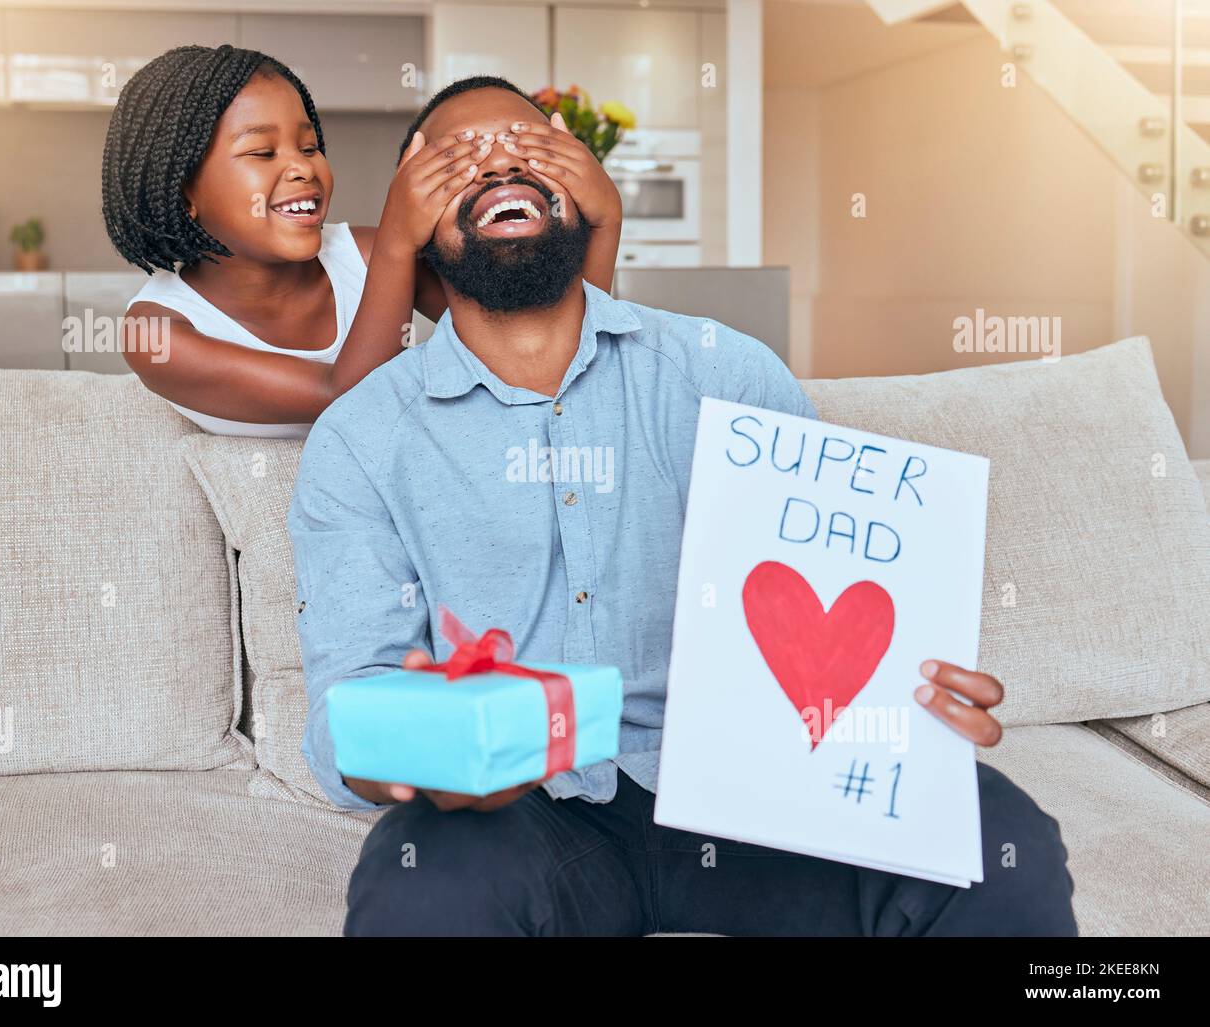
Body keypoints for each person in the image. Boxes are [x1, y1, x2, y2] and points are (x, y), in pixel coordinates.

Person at [287, 77, 1078, 937]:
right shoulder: (361, 440)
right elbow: (346, 705)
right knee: (422, 883)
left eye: (528, 148)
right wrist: (417, 747)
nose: (498, 166)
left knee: (994, 835)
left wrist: (907, 695)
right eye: (458, 162)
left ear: (579, 184)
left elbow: (832, 610)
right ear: (411, 209)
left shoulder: (729, 374)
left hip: (761, 787)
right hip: (531, 809)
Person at [102, 51, 621, 437]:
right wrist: (398, 236)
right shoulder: (159, 334)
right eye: (262, 151)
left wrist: (604, 218)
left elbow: (539, 349)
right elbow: (349, 398)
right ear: (183, 189)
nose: (303, 166)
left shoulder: (362, 255)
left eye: (310, 146)